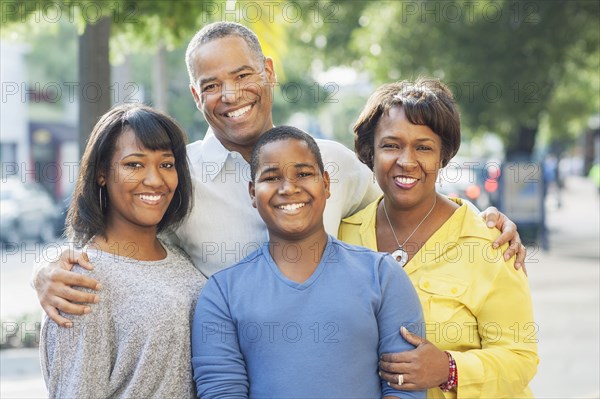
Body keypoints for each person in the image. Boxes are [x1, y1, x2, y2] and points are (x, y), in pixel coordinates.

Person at [33, 21, 525, 327]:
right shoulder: (177, 174)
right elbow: (115, 239)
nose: (231, 94)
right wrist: (52, 267)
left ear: (268, 70)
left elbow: (409, 191)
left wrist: (484, 217)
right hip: (225, 372)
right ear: (195, 92)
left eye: (244, 75)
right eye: (212, 84)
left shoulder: (331, 163)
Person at [338, 79, 539, 398]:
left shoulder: (489, 242)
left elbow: (521, 357)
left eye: (423, 147)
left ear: (443, 156)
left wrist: (449, 369)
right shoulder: (340, 234)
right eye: (391, 145)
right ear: (369, 152)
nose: (406, 160)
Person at [192, 126, 426, 399]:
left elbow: (405, 385)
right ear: (253, 193)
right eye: (271, 177)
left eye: (303, 174)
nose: (289, 188)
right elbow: (222, 391)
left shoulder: (382, 275)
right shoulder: (222, 294)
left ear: (326, 184)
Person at [39, 104, 206, 398]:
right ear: (102, 173)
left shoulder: (179, 256)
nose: (155, 180)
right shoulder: (80, 281)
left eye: (166, 164)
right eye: (134, 165)